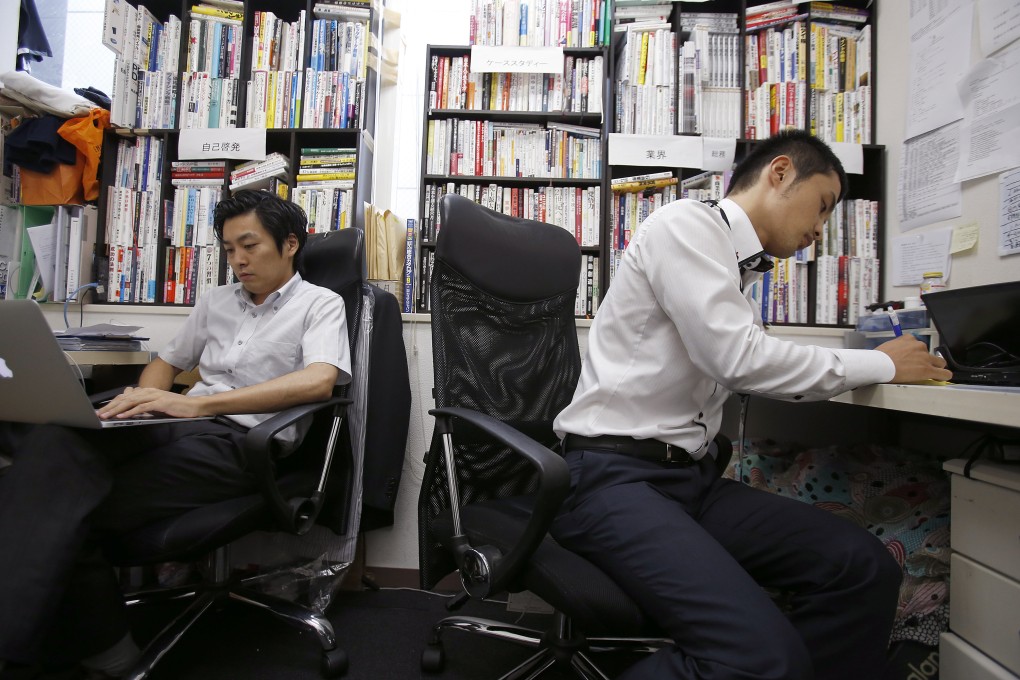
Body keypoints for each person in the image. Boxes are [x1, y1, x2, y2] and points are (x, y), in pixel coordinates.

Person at [552, 130, 952, 680]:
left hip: (686, 484)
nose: (819, 230)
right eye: (823, 206)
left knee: (864, 567)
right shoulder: (686, 226)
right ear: (781, 172)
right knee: (755, 655)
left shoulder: (734, 270)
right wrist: (881, 364)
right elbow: (740, 359)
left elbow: (749, 353)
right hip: (610, 477)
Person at [0, 190, 351, 678]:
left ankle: (91, 647)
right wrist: (146, 403)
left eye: (249, 245)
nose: (238, 260)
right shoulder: (216, 302)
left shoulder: (320, 304)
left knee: (54, 501)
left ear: (289, 243)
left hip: (238, 445)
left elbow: (318, 380)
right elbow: (166, 362)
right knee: (54, 438)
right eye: (229, 249)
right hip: (176, 425)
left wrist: (195, 404)